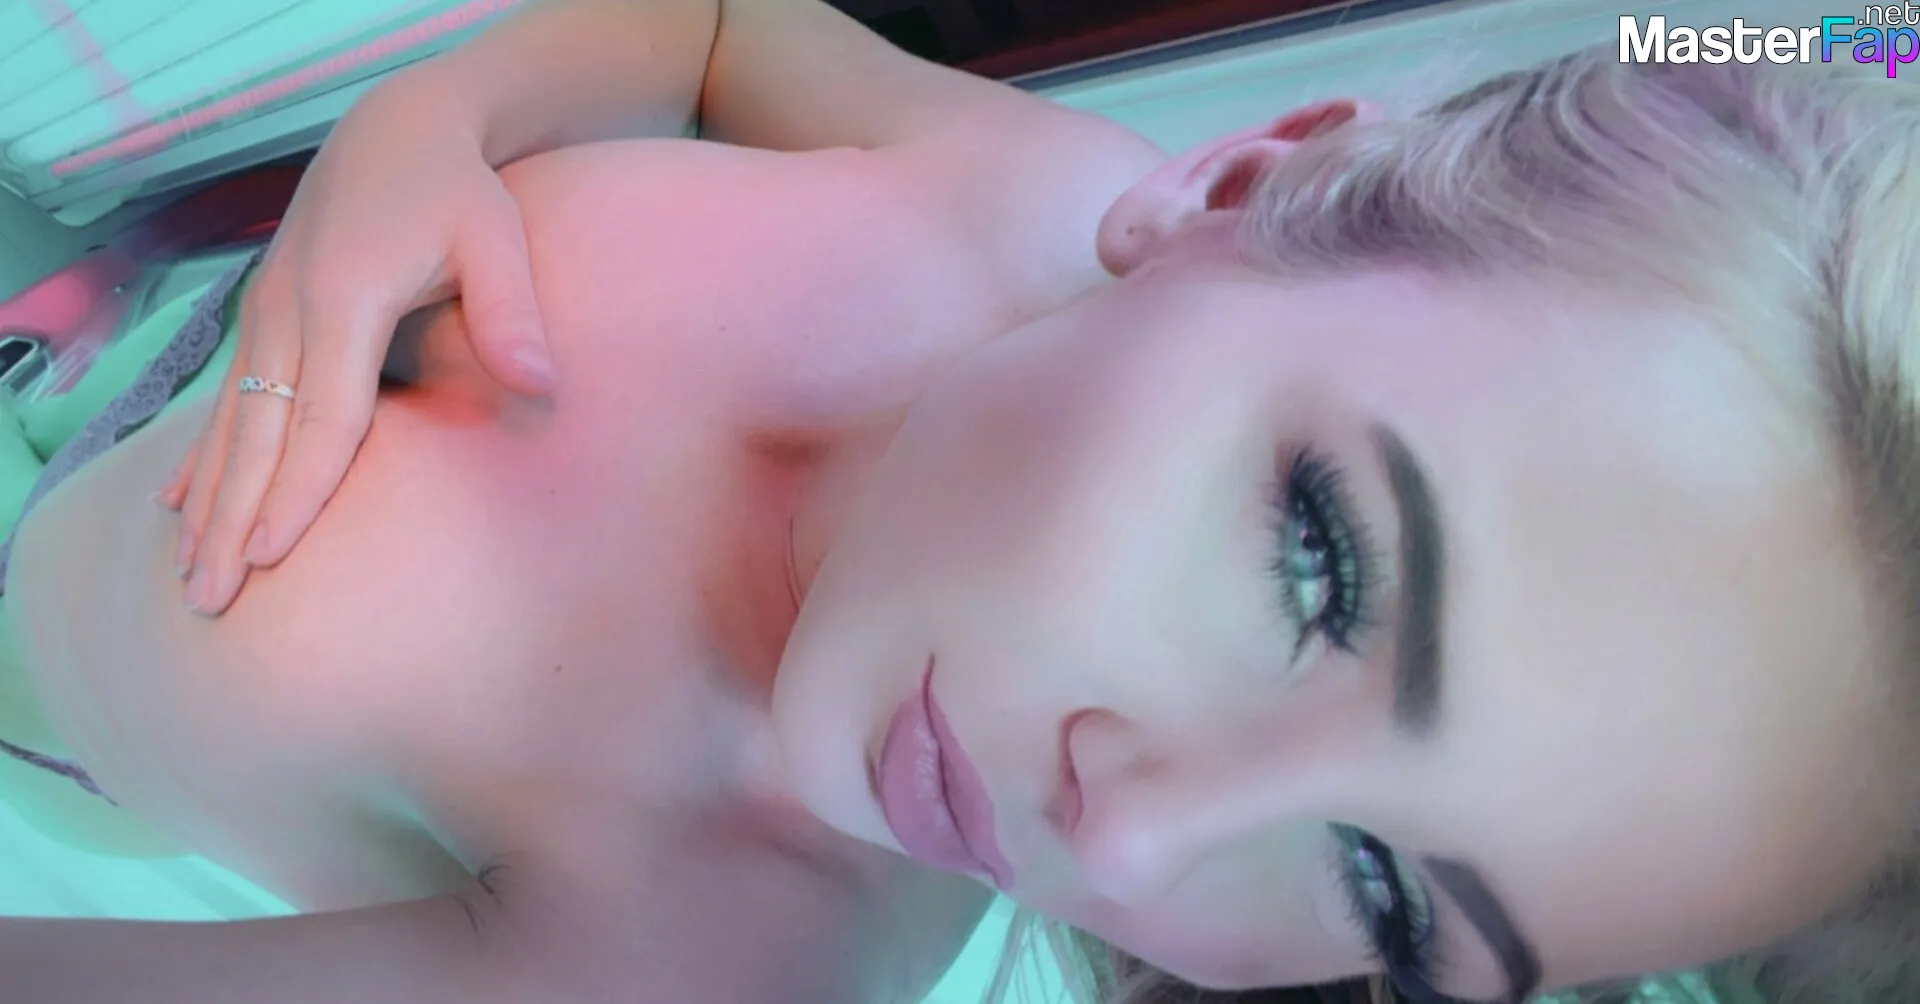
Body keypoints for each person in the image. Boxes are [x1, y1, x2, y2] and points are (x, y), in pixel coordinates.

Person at [2, 3, 1915, 1004]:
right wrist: (442, 118)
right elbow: (720, 26)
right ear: (1239, 192)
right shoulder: (1021, 194)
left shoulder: (692, 955)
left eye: (1386, 895)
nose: (1135, 844)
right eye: (1321, 565)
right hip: (138, 302)